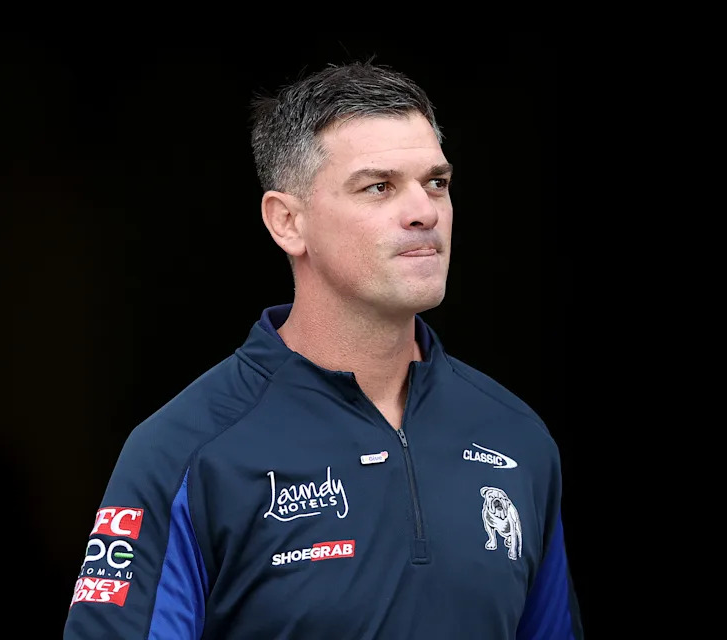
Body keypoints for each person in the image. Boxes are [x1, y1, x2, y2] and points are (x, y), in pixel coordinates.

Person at [63, 59, 584, 639]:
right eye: (379, 187)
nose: (425, 212)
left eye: (436, 183)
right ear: (287, 222)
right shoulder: (185, 450)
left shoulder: (516, 437)